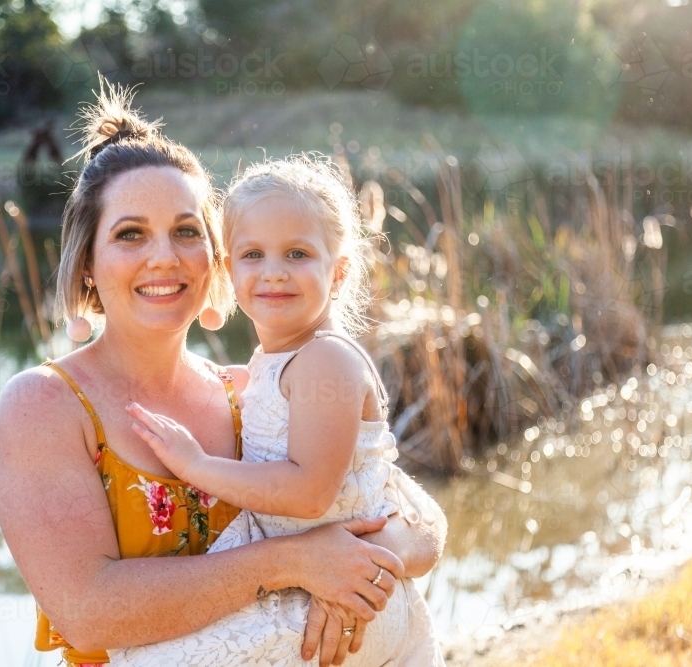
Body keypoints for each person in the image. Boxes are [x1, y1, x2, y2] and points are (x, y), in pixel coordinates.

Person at [0, 80, 449, 667]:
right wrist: (297, 560)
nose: (165, 257)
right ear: (87, 265)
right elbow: (86, 612)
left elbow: (419, 517)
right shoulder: (45, 405)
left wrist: (357, 568)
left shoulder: (253, 391)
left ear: (215, 259)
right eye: (131, 234)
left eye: (187, 231)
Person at [111, 156, 443, 666]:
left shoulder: (326, 359)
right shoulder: (279, 362)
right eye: (252, 254)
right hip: (316, 588)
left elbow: (310, 493)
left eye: (296, 253)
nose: (273, 273)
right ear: (228, 270)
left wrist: (198, 467)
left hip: (342, 605)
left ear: (339, 272)